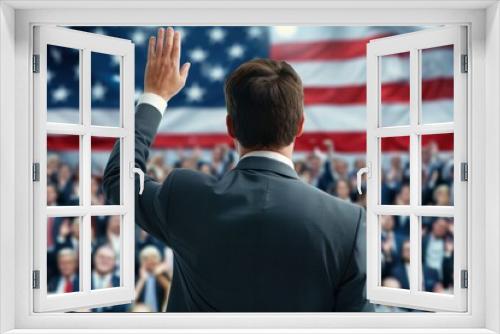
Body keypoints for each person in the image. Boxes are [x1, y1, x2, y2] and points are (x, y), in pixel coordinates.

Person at [103, 27, 372, 312]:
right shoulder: (348, 223)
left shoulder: (185, 196)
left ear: (230, 126)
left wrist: (155, 96)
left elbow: (119, 181)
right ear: (300, 125)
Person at [135, 246, 171, 312]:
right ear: (142, 261)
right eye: (147, 259)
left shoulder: (163, 275)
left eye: (154, 258)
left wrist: (157, 275)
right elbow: (133, 298)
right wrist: (142, 279)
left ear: (158, 260)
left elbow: (170, 291)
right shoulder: (137, 277)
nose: (150, 261)